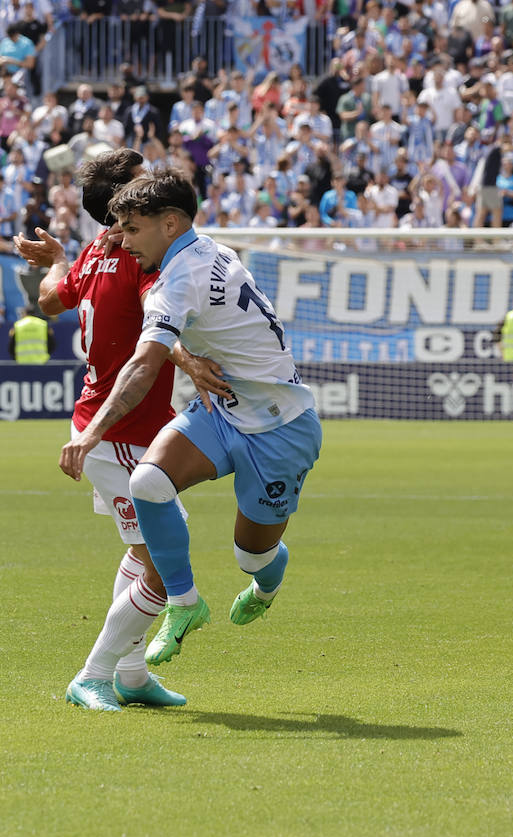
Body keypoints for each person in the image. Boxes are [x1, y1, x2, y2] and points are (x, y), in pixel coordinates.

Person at [60, 168, 321, 671]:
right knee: (150, 481)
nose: (123, 240)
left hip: (280, 427)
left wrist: (92, 433)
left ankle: (267, 578)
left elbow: (143, 365)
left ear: (171, 223)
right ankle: (184, 603)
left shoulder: (178, 279)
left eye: (133, 229)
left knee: (253, 555)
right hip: (221, 410)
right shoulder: (208, 249)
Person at [14, 148, 199, 712]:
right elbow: (159, 328)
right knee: (167, 564)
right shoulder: (138, 261)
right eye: (142, 184)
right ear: (122, 206)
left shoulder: (98, 251)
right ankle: (93, 676)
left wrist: (54, 259)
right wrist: (192, 363)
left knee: (143, 550)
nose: (154, 186)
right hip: (117, 432)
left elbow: (47, 301)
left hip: (121, 428)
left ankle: (133, 674)